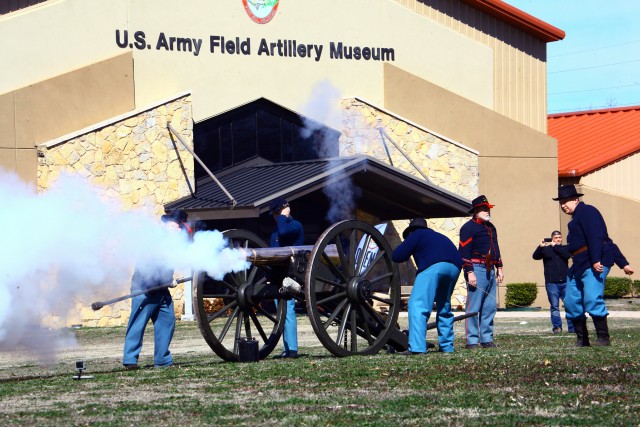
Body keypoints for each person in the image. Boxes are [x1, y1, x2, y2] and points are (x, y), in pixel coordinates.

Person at [553, 185, 634, 346]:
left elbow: (597, 237)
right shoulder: (575, 219)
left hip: (593, 262)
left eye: (565, 201)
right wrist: (555, 248)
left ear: (576, 199)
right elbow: (574, 247)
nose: (563, 205)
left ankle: (603, 338)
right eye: (560, 202)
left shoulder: (588, 212)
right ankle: (582, 340)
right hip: (578, 264)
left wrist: (598, 259)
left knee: (591, 298)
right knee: (570, 300)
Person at [122, 209, 190, 369]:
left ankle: (163, 360)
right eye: (177, 225)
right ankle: (130, 360)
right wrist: (168, 281)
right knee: (138, 323)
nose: (179, 229)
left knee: (167, 321)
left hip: (161, 290)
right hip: (145, 288)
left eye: (180, 226)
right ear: (168, 224)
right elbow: (150, 268)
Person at [392, 218, 462, 354]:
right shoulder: (439, 236)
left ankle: (417, 347)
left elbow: (397, 255)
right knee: (444, 306)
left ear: (411, 231)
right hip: (454, 267)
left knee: (418, 305)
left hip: (433, 266)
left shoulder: (416, 234)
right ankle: (447, 347)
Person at [458, 195, 504, 349]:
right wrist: (469, 272)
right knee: (474, 306)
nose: (487, 211)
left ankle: (486, 338)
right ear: (476, 211)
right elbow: (464, 252)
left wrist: (500, 267)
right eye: (484, 209)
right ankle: (471, 340)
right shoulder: (468, 228)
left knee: (489, 306)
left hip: (490, 269)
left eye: (488, 208)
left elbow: (496, 248)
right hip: (476, 269)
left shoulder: (491, 227)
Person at [269, 196, 304, 359]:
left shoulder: (295, 226)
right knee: (281, 312)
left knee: (288, 310)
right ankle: (286, 348)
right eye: (275, 215)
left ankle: (292, 350)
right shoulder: (275, 230)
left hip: (291, 274)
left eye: (278, 214)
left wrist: (284, 215)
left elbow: (284, 231)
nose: (276, 218)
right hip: (278, 275)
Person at [532, 231, 575, 334]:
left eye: (560, 237)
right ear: (552, 239)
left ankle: (572, 327)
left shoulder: (564, 248)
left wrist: (555, 246)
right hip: (551, 283)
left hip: (565, 281)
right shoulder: (546, 249)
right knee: (555, 306)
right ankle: (557, 327)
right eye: (556, 238)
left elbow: (567, 255)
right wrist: (540, 247)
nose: (558, 239)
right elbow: (535, 256)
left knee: (569, 304)